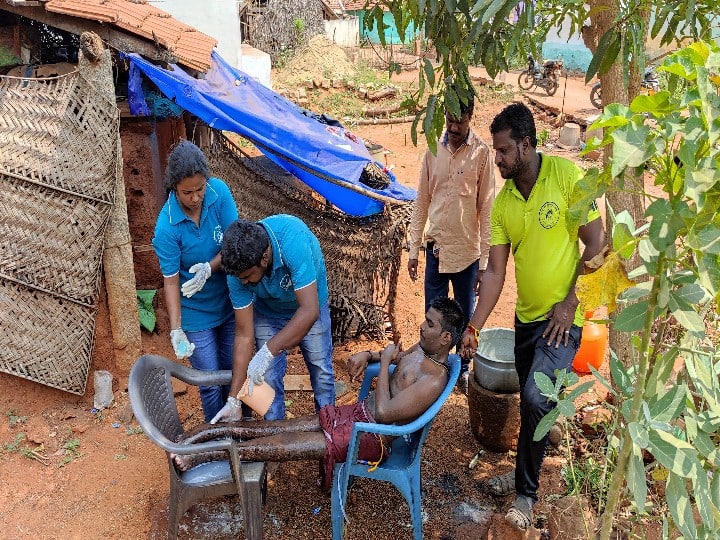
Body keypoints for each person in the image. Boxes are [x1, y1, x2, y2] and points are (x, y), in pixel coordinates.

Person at [461, 103, 605, 530]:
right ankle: (545, 436)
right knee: (534, 397)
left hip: (564, 319)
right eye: (496, 151)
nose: (498, 160)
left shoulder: (567, 177)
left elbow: (598, 244)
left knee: (535, 398)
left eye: (504, 151)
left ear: (525, 145)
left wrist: (571, 300)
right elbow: (495, 271)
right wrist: (474, 326)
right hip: (526, 322)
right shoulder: (503, 204)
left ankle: (525, 494)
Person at [174, 296, 465, 492]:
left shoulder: (434, 380)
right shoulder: (422, 348)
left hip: (370, 436)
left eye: (430, 324)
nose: (421, 326)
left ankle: (200, 455)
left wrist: (387, 361)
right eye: (425, 320)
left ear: (446, 338)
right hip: (356, 415)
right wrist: (370, 354)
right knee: (277, 428)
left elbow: (387, 413)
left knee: (279, 446)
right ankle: (200, 434)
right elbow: (398, 357)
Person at [407, 83, 495, 394]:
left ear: (471, 116)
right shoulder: (433, 149)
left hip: (467, 254)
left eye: (460, 120)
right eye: (449, 119)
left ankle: (463, 369)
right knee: (433, 312)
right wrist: (414, 248)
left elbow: (487, 209)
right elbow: (421, 199)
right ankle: (434, 366)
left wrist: (484, 263)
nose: (454, 127)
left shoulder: (482, 154)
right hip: (435, 249)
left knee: (464, 311)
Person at [210, 215, 335, 423]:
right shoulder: (238, 270)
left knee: (321, 370)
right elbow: (243, 334)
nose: (244, 282)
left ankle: (330, 430)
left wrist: (267, 351)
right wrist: (233, 400)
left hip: (308, 304)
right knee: (266, 379)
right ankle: (276, 436)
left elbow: (309, 311)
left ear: (264, 258)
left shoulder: (293, 239)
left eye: (248, 276)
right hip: (268, 311)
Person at [152, 140, 241, 423]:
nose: (195, 197)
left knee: (233, 373)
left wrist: (210, 268)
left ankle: (240, 432)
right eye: (186, 192)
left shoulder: (220, 194)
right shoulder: (167, 227)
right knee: (209, 382)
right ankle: (217, 439)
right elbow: (170, 281)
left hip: (228, 302)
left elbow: (234, 244)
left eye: (200, 189)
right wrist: (176, 329)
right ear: (174, 188)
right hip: (195, 313)